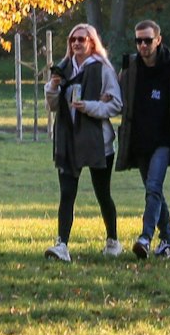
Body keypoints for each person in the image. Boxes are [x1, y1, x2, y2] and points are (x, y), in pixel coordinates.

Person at [115, 18, 170, 259]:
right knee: (154, 191)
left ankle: (145, 238)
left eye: (147, 40)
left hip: (166, 140)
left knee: (153, 187)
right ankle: (168, 242)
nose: (143, 45)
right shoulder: (131, 68)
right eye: (138, 41)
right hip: (140, 141)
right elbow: (117, 98)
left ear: (158, 40)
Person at [44, 22, 123, 262]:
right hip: (67, 140)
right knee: (67, 193)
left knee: (103, 194)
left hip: (98, 142)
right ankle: (62, 245)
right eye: (73, 40)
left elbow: (116, 105)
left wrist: (90, 106)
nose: (77, 43)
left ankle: (113, 241)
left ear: (92, 42)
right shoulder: (63, 68)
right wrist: (53, 87)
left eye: (81, 39)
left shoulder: (103, 70)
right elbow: (53, 106)